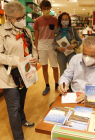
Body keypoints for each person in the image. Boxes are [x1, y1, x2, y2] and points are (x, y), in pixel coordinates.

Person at [0, 1, 38, 140]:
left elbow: (32, 48)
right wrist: (17, 60)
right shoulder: (1, 32)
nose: (22, 20)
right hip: (9, 75)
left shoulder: (26, 30)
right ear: (9, 18)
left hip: (25, 73)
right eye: (18, 18)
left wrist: (34, 59)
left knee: (22, 100)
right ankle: (18, 137)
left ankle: (22, 120)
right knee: (14, 107)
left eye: (22, 17)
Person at [58, 36, 95, 103]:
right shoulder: (75, 59)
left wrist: (91, 95)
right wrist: (62, 84)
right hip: (74, 96)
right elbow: (66, 76)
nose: (87, 59)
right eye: (84, 54)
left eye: (91, 56)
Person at [33, 0, 59, 95]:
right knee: (44, 66)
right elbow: (36, 36)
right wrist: (36, 48)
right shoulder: (37, 21)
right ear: (41, 9)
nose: (46, 10)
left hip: (52, 45)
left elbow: (58, 33)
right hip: (41, 45)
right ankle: (47, 85)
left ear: (50, 8)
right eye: (45, 9)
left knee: (55, 66)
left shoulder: (55, 20)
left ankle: (56, 84)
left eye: (48, 8)